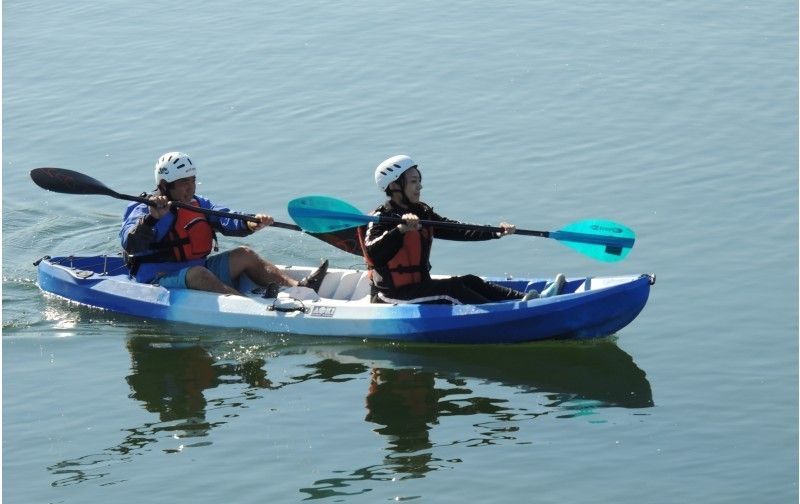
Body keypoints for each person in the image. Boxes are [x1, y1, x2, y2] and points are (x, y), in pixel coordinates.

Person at [358, 155, 565, 304]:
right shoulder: (379, 219)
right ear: (394, 186)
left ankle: (530, 301)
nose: (419, 186)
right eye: (413, 181)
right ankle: (501, 314)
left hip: (419, 287)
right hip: (391, 295)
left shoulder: (422, 213)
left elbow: (457, 229)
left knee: (469, 281)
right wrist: (400, 230)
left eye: (419, 181)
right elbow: (373, 253)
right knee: (452, 289)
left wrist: (495, 231)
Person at [120, 152, 327, 295]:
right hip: (158, 278)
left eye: (192, 180)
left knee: (245, 254)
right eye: (184, 182)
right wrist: (152, 219)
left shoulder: (198, 203)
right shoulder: (143, 209)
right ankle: (246, 305)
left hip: (198, 267)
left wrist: (250, 223)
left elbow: (226, 217)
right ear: (165, 185)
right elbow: (130, 244)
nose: (191, 187)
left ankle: (299, 288)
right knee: (199, 274)